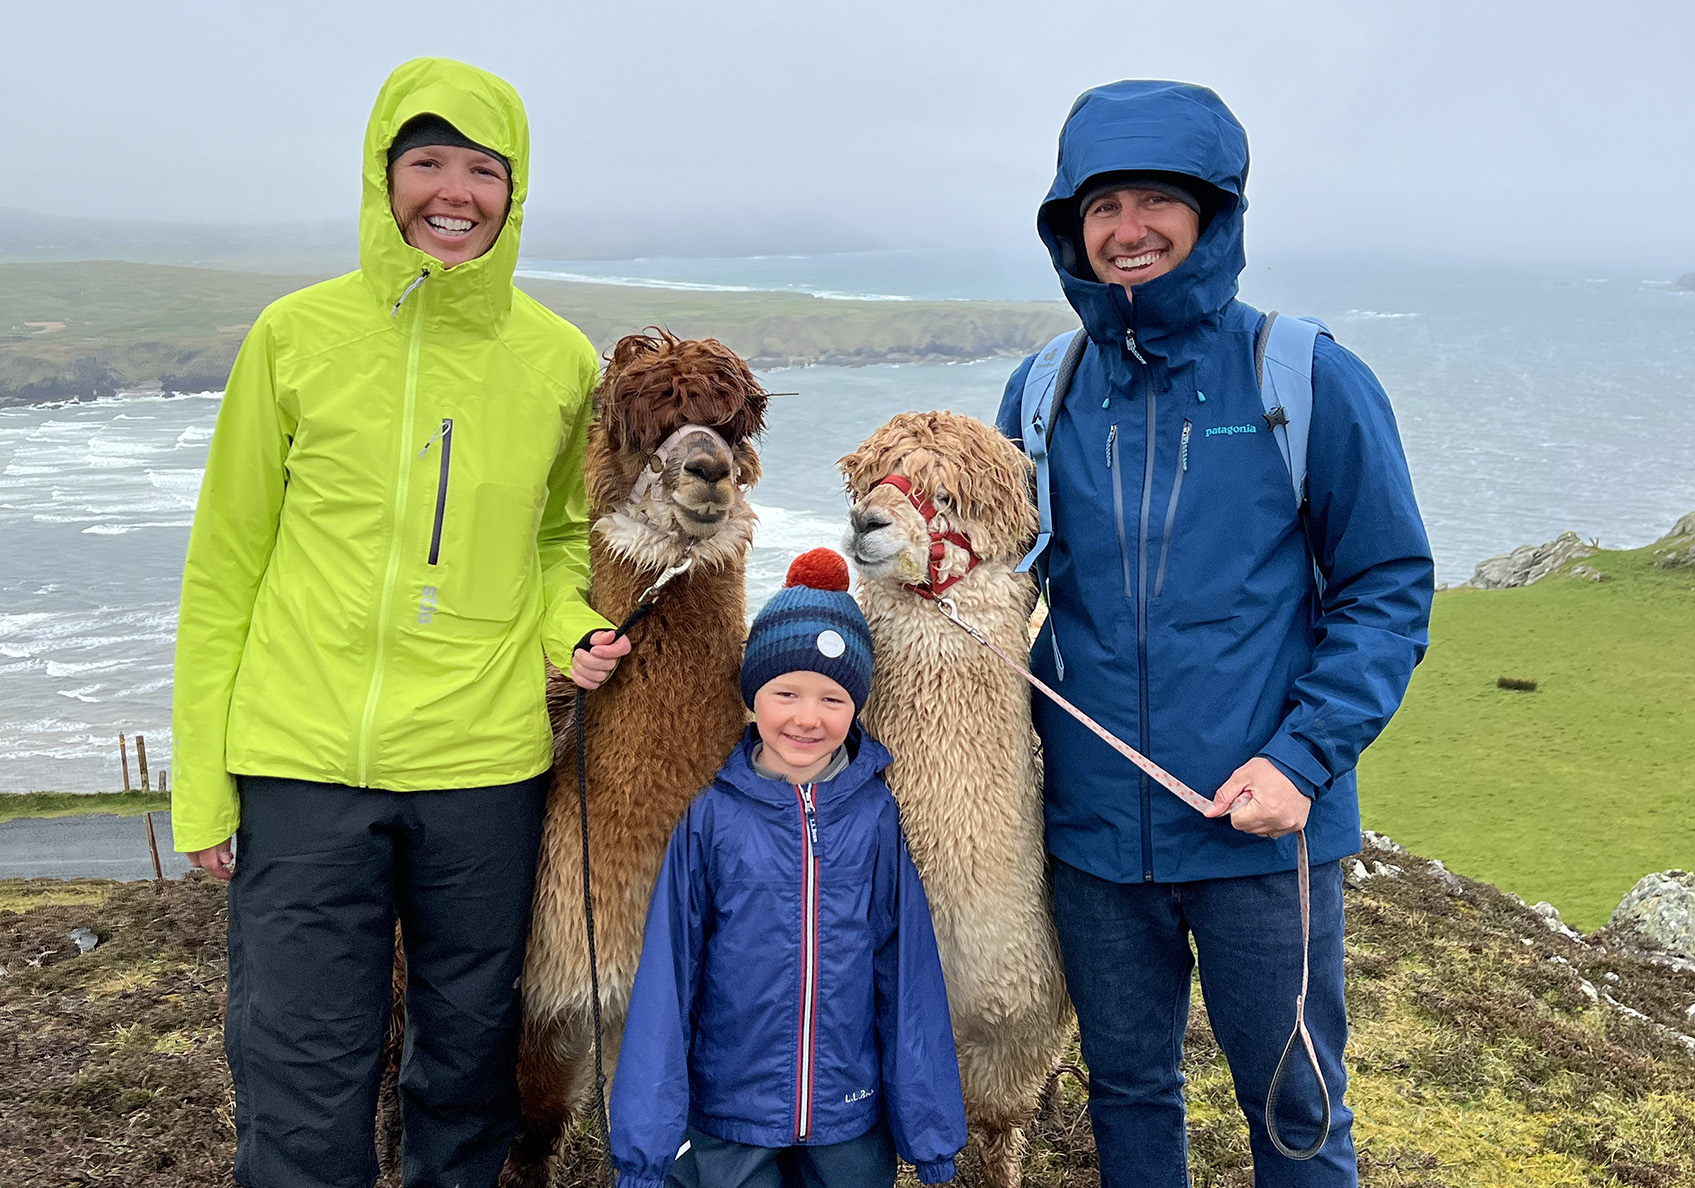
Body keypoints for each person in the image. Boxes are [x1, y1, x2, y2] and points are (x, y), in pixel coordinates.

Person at [170, 57, 629, 1187]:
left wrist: (562, 633)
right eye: (428, 162)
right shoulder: (293, 336)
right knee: (300, 1062)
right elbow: (225, 564)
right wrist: (202, 780)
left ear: (516, 192)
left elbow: (555, 543)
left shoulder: (559, 359)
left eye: (483, 169)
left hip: (480, 766)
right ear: (384, 176)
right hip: (300, 757)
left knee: (468, 1061)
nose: (454, 193)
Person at [997, 81, 1435, 1185]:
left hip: (1263, 832)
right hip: (1093, 835)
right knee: (1129, 1098)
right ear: (1069, 224)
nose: (1127, 229)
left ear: (1213, 216)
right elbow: (987, 583)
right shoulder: (1042, 389)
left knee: (1296, 1110)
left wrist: (1301, 763)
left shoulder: (1304, 376)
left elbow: (1388, 586)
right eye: (1101, 206)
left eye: (1156, 202)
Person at [610, 549, 967, 1188]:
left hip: (848, 1117)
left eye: (833, 697)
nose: (807, 717)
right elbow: (670, 973)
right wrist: (647, 1147)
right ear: (754, 696)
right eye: (786, 693)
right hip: (729, 1115)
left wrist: (930, 1134)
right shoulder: (710, 814)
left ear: (857, 705)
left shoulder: (875, 813)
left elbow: (906, 972)